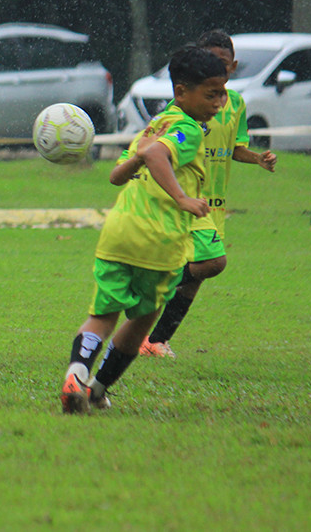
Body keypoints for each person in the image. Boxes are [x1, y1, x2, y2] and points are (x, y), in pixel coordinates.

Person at [60, 45, 227, 414]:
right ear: (181, 91)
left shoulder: (154, 125)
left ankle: (76, 374)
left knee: (102, 315)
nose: (219, 102)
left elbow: (117, 175)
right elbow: (155, 155)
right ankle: (97, 390)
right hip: (158, 239)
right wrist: (182, 198)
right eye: (211, 94)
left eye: (222, 93)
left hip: (119, 233)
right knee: (142, 320)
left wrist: (141, 154)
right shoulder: (187, 129)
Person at [141, 30, 277, 358]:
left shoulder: (236, 103)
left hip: (214, 205)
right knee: (211, 263)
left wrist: (257, 158)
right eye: (211, 61)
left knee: (195, 276)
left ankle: (156, 340)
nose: (218, 68)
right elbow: (157, 150)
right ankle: (150, 294)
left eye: (224, 63)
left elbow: (235, 148)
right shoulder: (184, 107)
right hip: (187, 199)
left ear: (234, 65)